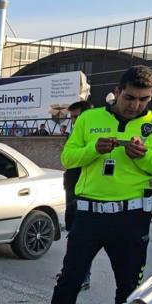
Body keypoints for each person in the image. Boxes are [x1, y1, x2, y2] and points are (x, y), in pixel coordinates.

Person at [32, 65, 152, 304]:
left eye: (144, 99)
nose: (136, 105)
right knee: (69, 279)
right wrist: (94, 149)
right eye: (130, 98)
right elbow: (68, 158)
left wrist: (144, 157)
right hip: (90, 216)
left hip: (132, 218)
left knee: (128, 287)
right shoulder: (89, 118)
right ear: (118, 92)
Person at [61, 100, 94, 292]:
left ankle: (83, 276)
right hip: (71, 191)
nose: (74, 121)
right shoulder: (75, 134)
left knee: (83, 238)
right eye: (72, 117)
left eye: (76, 116)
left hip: (85, 193)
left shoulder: (93, 137)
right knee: (73, 236)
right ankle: (71, 272)